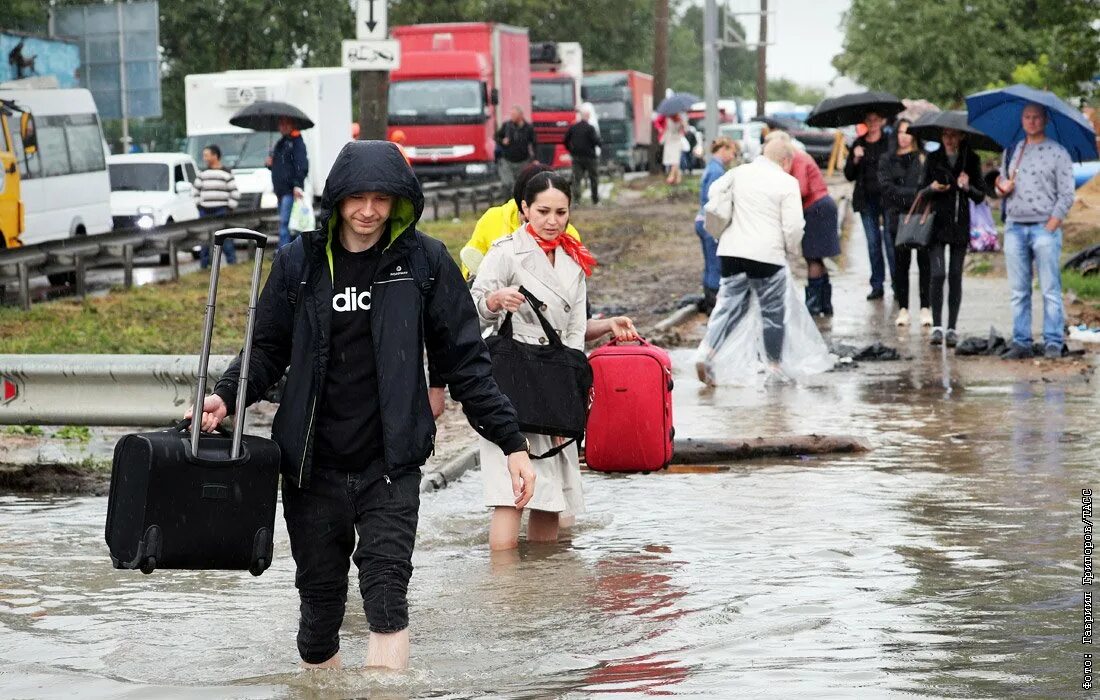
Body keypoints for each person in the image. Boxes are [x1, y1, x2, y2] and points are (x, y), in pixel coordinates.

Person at [186, 140, 536, 671]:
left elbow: (466, 360)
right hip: (311, 465)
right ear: (337, 199)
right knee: (320, 609)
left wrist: (510, 441)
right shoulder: (300, 261)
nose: (369, 211)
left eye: (382, 198)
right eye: (357, 198)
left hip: (391, 464)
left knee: (387, 595)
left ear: (401, 200)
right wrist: (225, 396)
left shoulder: (424, 262)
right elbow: (266, 348)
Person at [470, 172, 636, 551]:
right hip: (510, 383)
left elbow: (574, 337)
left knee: (551, 497)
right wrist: (494, 302)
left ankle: (545, 588)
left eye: (561, 211)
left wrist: (569, 401)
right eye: (542, 210)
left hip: (554, 380)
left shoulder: (573, 261)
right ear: (524, 209)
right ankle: (505, 589)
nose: (552, 220)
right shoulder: (506, 251)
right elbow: (470, 314)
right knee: (509, 493)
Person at [696, 138, 805, 385]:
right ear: (786, 160)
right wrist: (791, 251)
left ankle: (708, 353)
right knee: (772, 312)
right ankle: (774, 367)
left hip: (731, 253)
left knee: (729, 305)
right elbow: (794, 226)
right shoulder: (787, 183)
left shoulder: (738, 173)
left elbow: (714, 193)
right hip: (766, 255)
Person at [996, 104, 1076, 360]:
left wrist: (1053, 223)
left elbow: (1066, 193)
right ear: (1021, 120)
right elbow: (999, 185)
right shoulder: (1012, 151)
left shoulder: (1058, 153)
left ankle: (1053, 340)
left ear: (1045, 120)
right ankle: (1022, 342)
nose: (1031, 122)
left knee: (1050, 288)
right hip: (1015, 227)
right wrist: (1002, 188)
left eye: (1036, 117)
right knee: (1019, 290)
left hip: (1044, 227)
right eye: (1027, 117)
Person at [921, 127, 985, 347]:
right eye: (945, 135)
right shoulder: (933, 158)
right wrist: (932, 188)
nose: (949, 139)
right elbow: (921, 192)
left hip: (959, 225)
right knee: (937, 274)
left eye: (953, 135)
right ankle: (937, 326)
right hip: (936, 226)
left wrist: (966, 187)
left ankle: (952, 328)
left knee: (955, 275)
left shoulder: (971, 160)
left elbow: (980, 195)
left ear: (961, 136)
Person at [771, 130, 840, 317]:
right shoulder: (799, 157)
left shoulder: (799, 159)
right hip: (820, 207)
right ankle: (824, 304)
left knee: (812, 257)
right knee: (816, 257)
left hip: (817, 209)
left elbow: (801, 188)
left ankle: (813, 306)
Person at [877, 119, 931, 327]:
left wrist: (913, 196)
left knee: (924, 263)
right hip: (896, 218)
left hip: (921, 217)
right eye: (900, 132)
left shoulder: (924, 158)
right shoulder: (887, 159)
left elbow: (927, 188)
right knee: (901, 265)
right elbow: (886, 188)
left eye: (908, 132)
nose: (904, 136)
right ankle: (904, 308)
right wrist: (912, 195)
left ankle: (925, 308)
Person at [844, 110, 893, 300]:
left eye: (876, 119)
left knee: (890, 242)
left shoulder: (889, 142)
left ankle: (897, 284)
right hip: (866, 200)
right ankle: (877, 284)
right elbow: (849, 174)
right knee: (873, 243)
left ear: (882, 121)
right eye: (869, 120)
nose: (872, 123)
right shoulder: (859, 143)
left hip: (887, 199)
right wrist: (855, 159)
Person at [695, 136, 739, 313]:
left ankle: (708, 298)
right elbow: (714, 200)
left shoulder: (712, 167)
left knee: (709, 262)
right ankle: (713, 302)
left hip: (702, 220)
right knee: (715, 263)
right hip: (709, 223)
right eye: (732, 152)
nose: (733, 157)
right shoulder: (717, 172)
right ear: (724, 150)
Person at [193, 144, 241, 269]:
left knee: (225, 239)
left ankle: (232, 264)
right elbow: (195, 192)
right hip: (205, 211)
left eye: (206, 155)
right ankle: (204, 266)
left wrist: (229, 208)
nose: (204, 158)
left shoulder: (226, 173)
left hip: (221, 211)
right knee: (205, 240)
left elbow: (235, 193)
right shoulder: (202, 174)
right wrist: (200, 205)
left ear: (215, 156)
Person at [267, 116, 309, 248]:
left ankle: (284, 254)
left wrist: (297, 185)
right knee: (288, 223)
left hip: (290, 190)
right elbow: (281, 166)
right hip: (280, 191)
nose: (283, 127)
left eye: (286, 124)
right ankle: (290, 252)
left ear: (292, 125)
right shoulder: (282, 142)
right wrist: (270, 164)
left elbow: (301, 165)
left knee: (286, 223)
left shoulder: (296, 142)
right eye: (281, 124)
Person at [564, 106, 602, 205]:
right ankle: (595, 200)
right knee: (593, 178)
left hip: (577, 157)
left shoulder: (573, 127)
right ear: (588, 116)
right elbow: (596, 141)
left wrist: (571, 150)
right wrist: (600, 143)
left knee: (576, 179)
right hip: (590, 158)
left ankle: (576, 200)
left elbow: (565, 140)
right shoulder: (590, 128)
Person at [496, 106, 537, 187]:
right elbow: (496, 137)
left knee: (521, 184)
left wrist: (535, 158)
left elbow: (534, 143)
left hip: (523, 161)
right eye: (511, 115)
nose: (512, 117)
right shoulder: (506, 125)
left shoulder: (529, 128)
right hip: (507, 160)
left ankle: (518, 198)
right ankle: (508, 199)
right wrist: (502, 141)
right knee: (508, 184)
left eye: (514, 115)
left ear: (521, 115)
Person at [660, 114, 686, 185]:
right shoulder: (676, 119)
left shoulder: (673, 119)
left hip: (673, 141)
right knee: (674, 160)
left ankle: (671, 176)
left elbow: (665, 129)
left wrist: (682, 124)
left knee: (675, 160)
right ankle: (678, 178)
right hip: (673, 141)